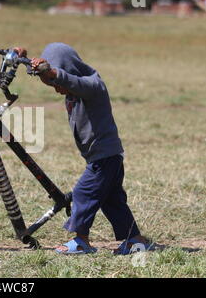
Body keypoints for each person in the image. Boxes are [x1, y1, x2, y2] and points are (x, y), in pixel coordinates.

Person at [14, 43, 151, 255]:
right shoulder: (72, 89)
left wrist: (52, 73)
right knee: (112, 201)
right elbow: (51, 75)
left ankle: (81, 241)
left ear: (67, 70)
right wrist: (23, 59)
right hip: (106, 157)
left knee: (83, 194)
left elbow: (70, 80)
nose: (57, 89)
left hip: (104, 158)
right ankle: (135, 241)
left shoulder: (93, 85)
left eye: (55, 82)